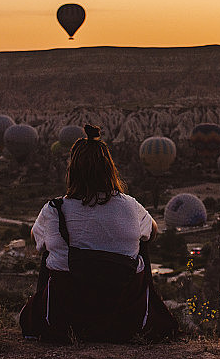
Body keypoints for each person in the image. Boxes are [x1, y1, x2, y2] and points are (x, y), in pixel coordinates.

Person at [19, 124, 178, 343]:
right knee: (142, 244)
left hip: (67, 316)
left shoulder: (54, 210)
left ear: (72, 171)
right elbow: (153, 231)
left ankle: (43, 322)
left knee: (48, 251)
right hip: (123, 315)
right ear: (109, 168)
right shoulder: (131, 206)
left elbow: (35, 240)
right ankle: (145, 316)